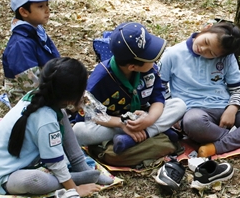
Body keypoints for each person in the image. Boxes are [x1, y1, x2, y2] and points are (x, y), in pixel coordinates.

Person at [0, 58, 112, 198]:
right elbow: (55, 162)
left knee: (64, 117)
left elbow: (66, 146)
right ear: (71, 95)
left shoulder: (48, 102)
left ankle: (84, 171)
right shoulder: (45, 120)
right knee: (35, 181)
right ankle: (80, 179)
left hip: (24, 162)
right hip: (3, 176)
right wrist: (74, 190)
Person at [159, 21, 240, 157]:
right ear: (206, 29)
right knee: (193, 122)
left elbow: (237, 90)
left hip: (226, 110)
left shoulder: (227, 58)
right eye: (205, 41)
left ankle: (217, 146)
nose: (203, 49)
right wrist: (175, 114)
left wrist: (232, 108)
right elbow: (160, 88)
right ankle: (238, 137)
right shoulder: (172, 54)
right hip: (194, 113)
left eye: (211, 53)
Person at [73, 22, 186, 154]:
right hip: (115, 123)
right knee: (78, 131)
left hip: (143, 117)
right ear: (132, 66)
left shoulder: (150, 70)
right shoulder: (100, 79)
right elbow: (90, 114)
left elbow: (158, 100)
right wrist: (121, 124)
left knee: (179, 105)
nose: (154, 62)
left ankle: (138, 136)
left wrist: (149, 119)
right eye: (150, 58)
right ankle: (155, 130)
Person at [2, 0, 62, 103]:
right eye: (40, 6)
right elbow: (33, 86)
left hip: (50, 94)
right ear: (24, 12)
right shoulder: (20, 45)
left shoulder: (37, 32)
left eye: (47, 5)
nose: (47, 10)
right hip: (31, 106)